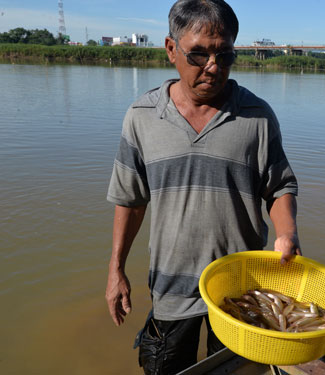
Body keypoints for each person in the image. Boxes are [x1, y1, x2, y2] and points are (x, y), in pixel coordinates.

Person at [104, 0, 300, 373]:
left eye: (224, 55)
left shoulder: (256, 117)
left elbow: (279, 187)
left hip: (240, 291)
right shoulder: (141, 117)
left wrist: (287, 233)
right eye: (198, 55)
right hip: (171, 287)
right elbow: (130, 201)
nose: (213, 67)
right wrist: (116, 270)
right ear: (171, 50)